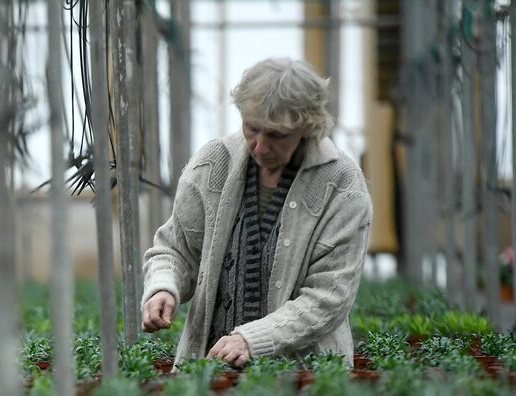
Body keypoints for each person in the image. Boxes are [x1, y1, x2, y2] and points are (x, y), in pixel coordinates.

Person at [141, 57, 372, 367]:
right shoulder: (213, 164)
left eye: (276, 135)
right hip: (210, 370)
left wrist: (253, 339)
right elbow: (176, 248)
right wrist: (163, 287)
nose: (260, 146)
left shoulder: (341, 185)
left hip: (306, 376)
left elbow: (329, 296)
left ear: (306, 127)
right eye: (252, 129)